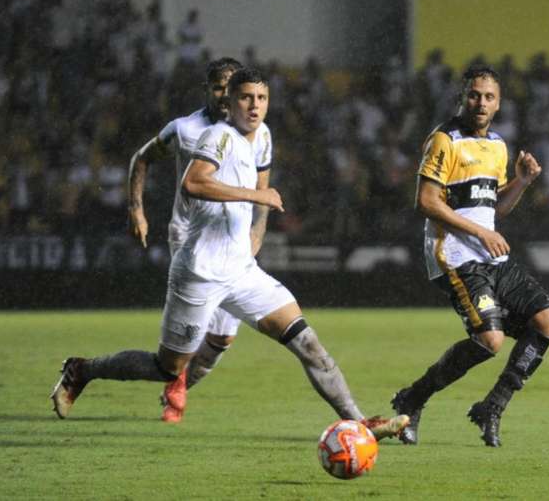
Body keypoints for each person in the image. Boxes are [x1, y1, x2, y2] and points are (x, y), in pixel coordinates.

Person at [51, 67, 409, 440]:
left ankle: (360, 422)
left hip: (241, 271)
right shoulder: (218, 136)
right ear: (229, 101)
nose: (254, 106)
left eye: (261, 99)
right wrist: (256, 196)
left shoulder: (261, 136)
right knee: (167, 367)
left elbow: (257, 184)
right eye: (245, 98)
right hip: (200, 272)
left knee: (307, 343)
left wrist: (258, 227)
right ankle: (83, 370)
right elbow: (193, 182)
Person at [391, 65, 549, 447]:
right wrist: (483, 233)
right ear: (462, 98)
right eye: (474, 95)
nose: (480, 102)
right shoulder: (444, 140)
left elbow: (495, 208)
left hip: (490, 257)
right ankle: (413, 398)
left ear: (498, 104)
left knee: (548, 320)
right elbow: (426, 201)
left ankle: (492, 406)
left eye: (488, 97)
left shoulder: (498, 146)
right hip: (455, 255)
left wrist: (522, 182)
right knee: (491, 339)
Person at [126, 57, 246, 423]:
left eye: (231, 88)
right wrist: (137, 209)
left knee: (222, 338)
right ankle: (175, 389)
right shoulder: (184, 128)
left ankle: (177, 384)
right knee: (195, 326)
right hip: (190, 234)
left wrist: (257, 231)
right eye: (217, 87)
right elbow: (142, 158)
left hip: (232, 239)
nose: (224, 95)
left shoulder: (253, 130)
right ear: (207, 90)